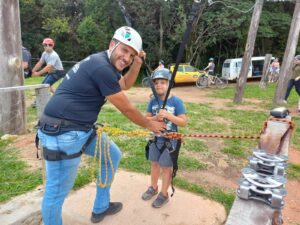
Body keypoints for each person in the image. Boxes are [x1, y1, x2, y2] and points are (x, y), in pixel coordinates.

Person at [36, 26, 166, 225]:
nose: (127, 58)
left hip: (80, 130)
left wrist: (137, 63)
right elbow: (127, 108)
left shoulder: (106, 64)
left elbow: (124, 85)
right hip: (62, 133)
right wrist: (150, 124)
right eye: (124, 51)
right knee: (56, 192)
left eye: (131, 55)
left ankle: (101, 207)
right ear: (112, 44)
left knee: (112, 155)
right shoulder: (101, 67)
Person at [142, 68, 187, 208]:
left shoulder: (176, 101)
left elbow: (183, 122)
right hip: (155, 139)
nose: (159, 85)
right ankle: (153, 187)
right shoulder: (153, 101)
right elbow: (146, 119)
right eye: (156, 83)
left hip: (170, 141)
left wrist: (168, 115)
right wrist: (156, 117)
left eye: (162, 82)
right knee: (154, 164)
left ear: (169, 84)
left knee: (166, 168)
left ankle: (164, 194)